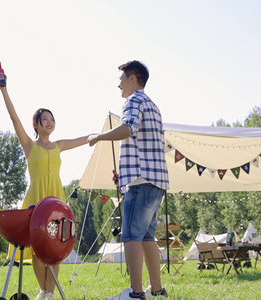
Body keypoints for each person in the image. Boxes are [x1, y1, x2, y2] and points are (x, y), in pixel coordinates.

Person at [0, 72, 89, 300]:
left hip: (57, 202)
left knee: (56, 247)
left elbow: (87, 138)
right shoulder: (29, 145)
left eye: (52, 119)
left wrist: (104, 135)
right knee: (38, 248)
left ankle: (50, 293)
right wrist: (4, 90)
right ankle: (44, 291)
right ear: (36, 124)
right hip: (36, 201)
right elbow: (14, 118)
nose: (49, 122)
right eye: (44, 119)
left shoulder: (59, 145)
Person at [88, 60, 169, 300]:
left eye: (121, 79)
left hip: (140, 180)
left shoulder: (133, 101)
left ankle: (135, 294)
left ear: (133, 78)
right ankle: (157, 291)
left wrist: (99, 137)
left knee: (131, 236)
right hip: (156, 180)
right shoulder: (152, 105)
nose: (118, 84)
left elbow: (128, 128)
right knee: (146, 237)